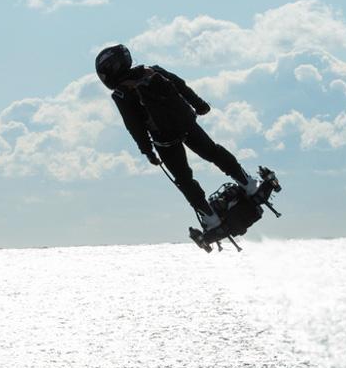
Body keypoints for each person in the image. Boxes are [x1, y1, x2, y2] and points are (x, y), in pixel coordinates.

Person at [95, 44, 256, 230]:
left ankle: (210, 217)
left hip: (165, 141)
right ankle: (247, 183)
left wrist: (147, 151)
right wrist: (200, 105)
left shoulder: (121, 94)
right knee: (214, 152)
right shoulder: (153, 71)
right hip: (187, 124)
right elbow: (181, 86)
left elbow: (134, 127)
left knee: (184, 179)